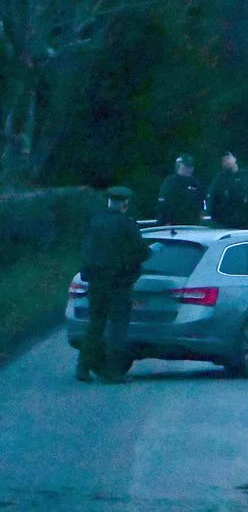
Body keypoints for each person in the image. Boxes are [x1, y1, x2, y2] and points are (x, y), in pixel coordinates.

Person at [76, 187, 149, 384]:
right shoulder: (127, 224)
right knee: (118, 327)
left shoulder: (96, 221)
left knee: (95, 324)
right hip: (118, 282)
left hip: (96, 281)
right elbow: (141, 252)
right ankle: (113, 372)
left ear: (109, 202)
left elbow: (85, 249)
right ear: (125, 204)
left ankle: (83, 368)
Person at [206, 150, 248, 228]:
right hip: (226, 223)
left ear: (235, 159)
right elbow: (212, 201)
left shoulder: (246, 176)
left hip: (246, 222)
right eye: (224, 160)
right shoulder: (219, 180)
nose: (226, 162)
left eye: (228, 158)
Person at [156, 153, 204, 225]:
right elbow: (163, 204)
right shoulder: (170, 182)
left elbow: (201, 202)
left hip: (193, 224)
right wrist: (165, 220)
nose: (189, 169)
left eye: (191, 167)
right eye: (186, 166)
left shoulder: (195, 183)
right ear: (178, 166)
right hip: (173, 224)